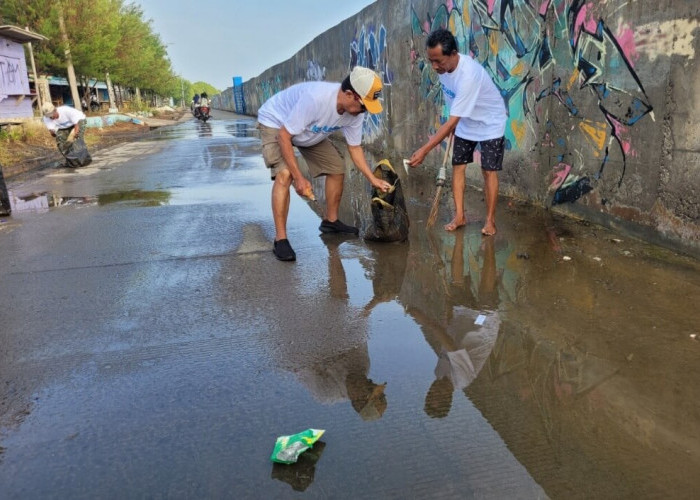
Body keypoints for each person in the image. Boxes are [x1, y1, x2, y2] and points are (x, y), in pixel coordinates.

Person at [257, 66, 392, 262]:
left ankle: (331, 222)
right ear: (349, 94)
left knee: (336, 167)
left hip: (308, 131)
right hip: (277, 123)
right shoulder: (316, 99)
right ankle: (281, 239)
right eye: (364, 105)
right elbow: (284, 137)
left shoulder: (356, 113)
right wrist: (299, 178)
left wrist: (373, 179)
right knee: (285, 174)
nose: (365, 111)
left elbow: (354, 148)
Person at [408, 28, 507, 236]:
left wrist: (425, 150)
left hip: (490, 122)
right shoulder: (444, 70)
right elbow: (452, 102)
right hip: (465, 121)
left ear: (453, 54)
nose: (434, 66)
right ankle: (460, 216)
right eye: (431, 61)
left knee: (488, 171)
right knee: (458, 167)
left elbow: (453, 118)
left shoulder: (469, 74)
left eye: (439, 61)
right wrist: (455, 121)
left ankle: (490, 221)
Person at [41, 102, 91, 168]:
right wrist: (54, 133)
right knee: (60, 142)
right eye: (49, 116)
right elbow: (53, 133)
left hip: (79, 120)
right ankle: (72, 162)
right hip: (64, 127)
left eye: (52, 115)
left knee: (77, 139)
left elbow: (76, 125)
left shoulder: (66, 111)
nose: (51, 117)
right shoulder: (46, 118)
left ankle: (84, 160)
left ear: (55, 110)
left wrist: (73, 136)